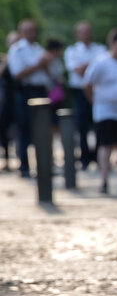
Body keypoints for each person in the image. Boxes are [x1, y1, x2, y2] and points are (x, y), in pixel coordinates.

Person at [83, 28, 117, 195]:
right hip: (105, 110)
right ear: (113, 43)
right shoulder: (101, 62)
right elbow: (87, 84)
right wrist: (95, 102)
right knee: (105, 145)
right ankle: (104, 181)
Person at [7, 19, 62, 178]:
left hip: (41, 91)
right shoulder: (17, 50)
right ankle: (24, 166)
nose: (31, 33)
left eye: (33, 30)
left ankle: (44, 165)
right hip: (25, 92)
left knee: (43, 129)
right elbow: (18, 74)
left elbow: (51, 73)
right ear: (22, 32)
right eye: (28, 30)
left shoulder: (38, 49)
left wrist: (44, 65)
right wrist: (38, 65)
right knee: (25, 129)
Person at [65, 21, 107, 170]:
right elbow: (77, 70)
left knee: (99, 125)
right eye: (82, 31)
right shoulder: (72, 51)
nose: (86, 34)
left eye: (88, 31)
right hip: (79, 93)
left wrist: (86, 67)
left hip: (98, 91)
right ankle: (84, 157)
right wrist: (92, 66)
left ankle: (97, 157)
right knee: (82, 126)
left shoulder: (100, 49)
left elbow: (101, 69)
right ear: (77, 34)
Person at [0, 31, 21, 171]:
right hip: (5, 100)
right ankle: (6, 158)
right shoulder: (5, 59)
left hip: (18, 98)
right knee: (3, 129)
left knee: (20, 130)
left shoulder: (21, 58)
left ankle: (21, 159)